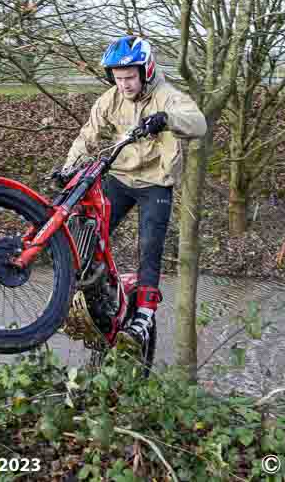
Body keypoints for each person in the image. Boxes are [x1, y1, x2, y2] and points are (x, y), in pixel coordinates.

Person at [61, 35, 207, 356]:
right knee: (86, 230)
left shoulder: (167, 97)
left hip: (156, 183)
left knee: (150, 248)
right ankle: (87, 292)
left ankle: (143, 317)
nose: (124, 84)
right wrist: (69, 167)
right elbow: (89, 135)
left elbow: (198, 124)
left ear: (146, 71)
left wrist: (167, 120)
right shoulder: (110, 99)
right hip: (121, 178)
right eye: (118, 78)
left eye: (129, 77)